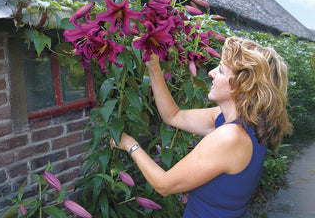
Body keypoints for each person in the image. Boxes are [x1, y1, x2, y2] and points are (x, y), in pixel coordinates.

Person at [110, 36, 292, 217]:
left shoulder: (230, 137)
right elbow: (173, 115)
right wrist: (153, 66)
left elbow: (164, 185)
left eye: (220, 70)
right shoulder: (244, 121)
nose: (211, 73)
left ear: (242, 84)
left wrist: (129, 144)